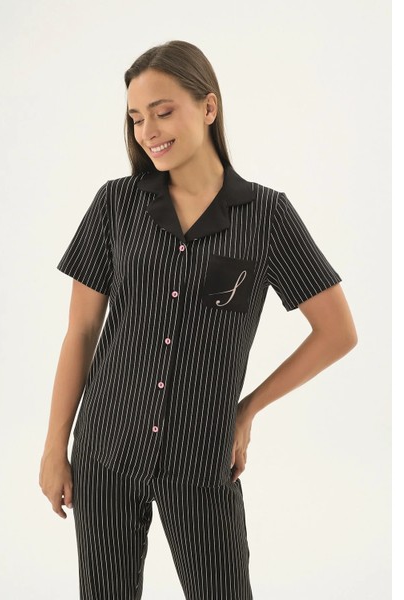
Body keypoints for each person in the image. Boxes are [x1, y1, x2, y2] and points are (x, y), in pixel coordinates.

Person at [39, 39, 358, 600]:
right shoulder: (116, 205)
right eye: (136, 118)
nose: (148, 131)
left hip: (201, 457)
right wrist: (53, 448)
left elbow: (337, 333)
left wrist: (247, 409)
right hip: (106, 448)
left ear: (208, 107)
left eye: (163, 112)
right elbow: (81, 333)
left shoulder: (266, 216)